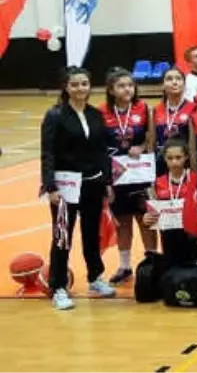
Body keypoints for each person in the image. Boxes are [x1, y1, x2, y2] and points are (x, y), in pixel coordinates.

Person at [40, 67, 118, 309]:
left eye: (84, 83)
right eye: (75, 84)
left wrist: (106, 181)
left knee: (91, 234)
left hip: (93, 184)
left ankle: (95, 277)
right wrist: (50, 186)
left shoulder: (95, 114)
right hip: (65, 187)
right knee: (63, 236)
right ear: (65, 87)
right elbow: (48, 153)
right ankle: (59, 287)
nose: (80, 88)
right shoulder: (55, 115)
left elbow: (102, 150)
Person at [102, 68, 155, 285]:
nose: (127, 89)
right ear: (111, 90)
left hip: (141, 174)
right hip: (117, 177)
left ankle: (152, 260)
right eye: (122, 86)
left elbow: (151, 138)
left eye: (130, 85)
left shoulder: (143, 109)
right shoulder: (102, 112)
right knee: (122, 222)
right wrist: (106, 181)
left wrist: (141, 146)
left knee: (146, 220)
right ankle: (125, 266)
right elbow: (99, 147)